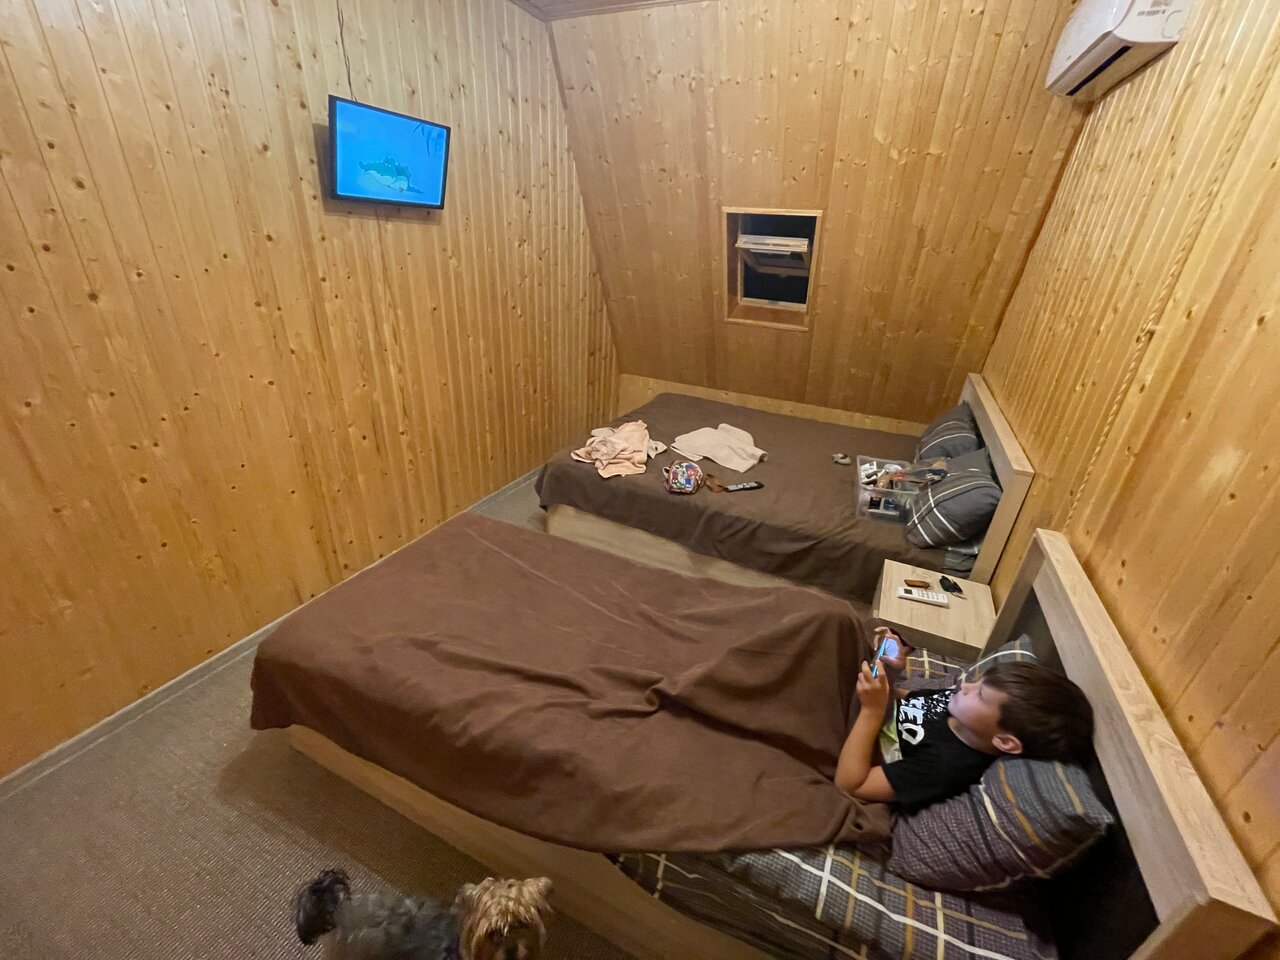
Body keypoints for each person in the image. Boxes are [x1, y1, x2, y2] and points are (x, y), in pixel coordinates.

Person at [835, 627, 1094, 811]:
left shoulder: (945, 766)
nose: (965, 686)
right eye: (978, 681)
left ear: (1005, 742)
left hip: (852, 735)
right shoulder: (957, 705)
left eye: (980, 694)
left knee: (830, 620)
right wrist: (891, 673)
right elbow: (898, 697)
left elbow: (851, 785)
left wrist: (871, 711)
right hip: (861, 709)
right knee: (838, 623)